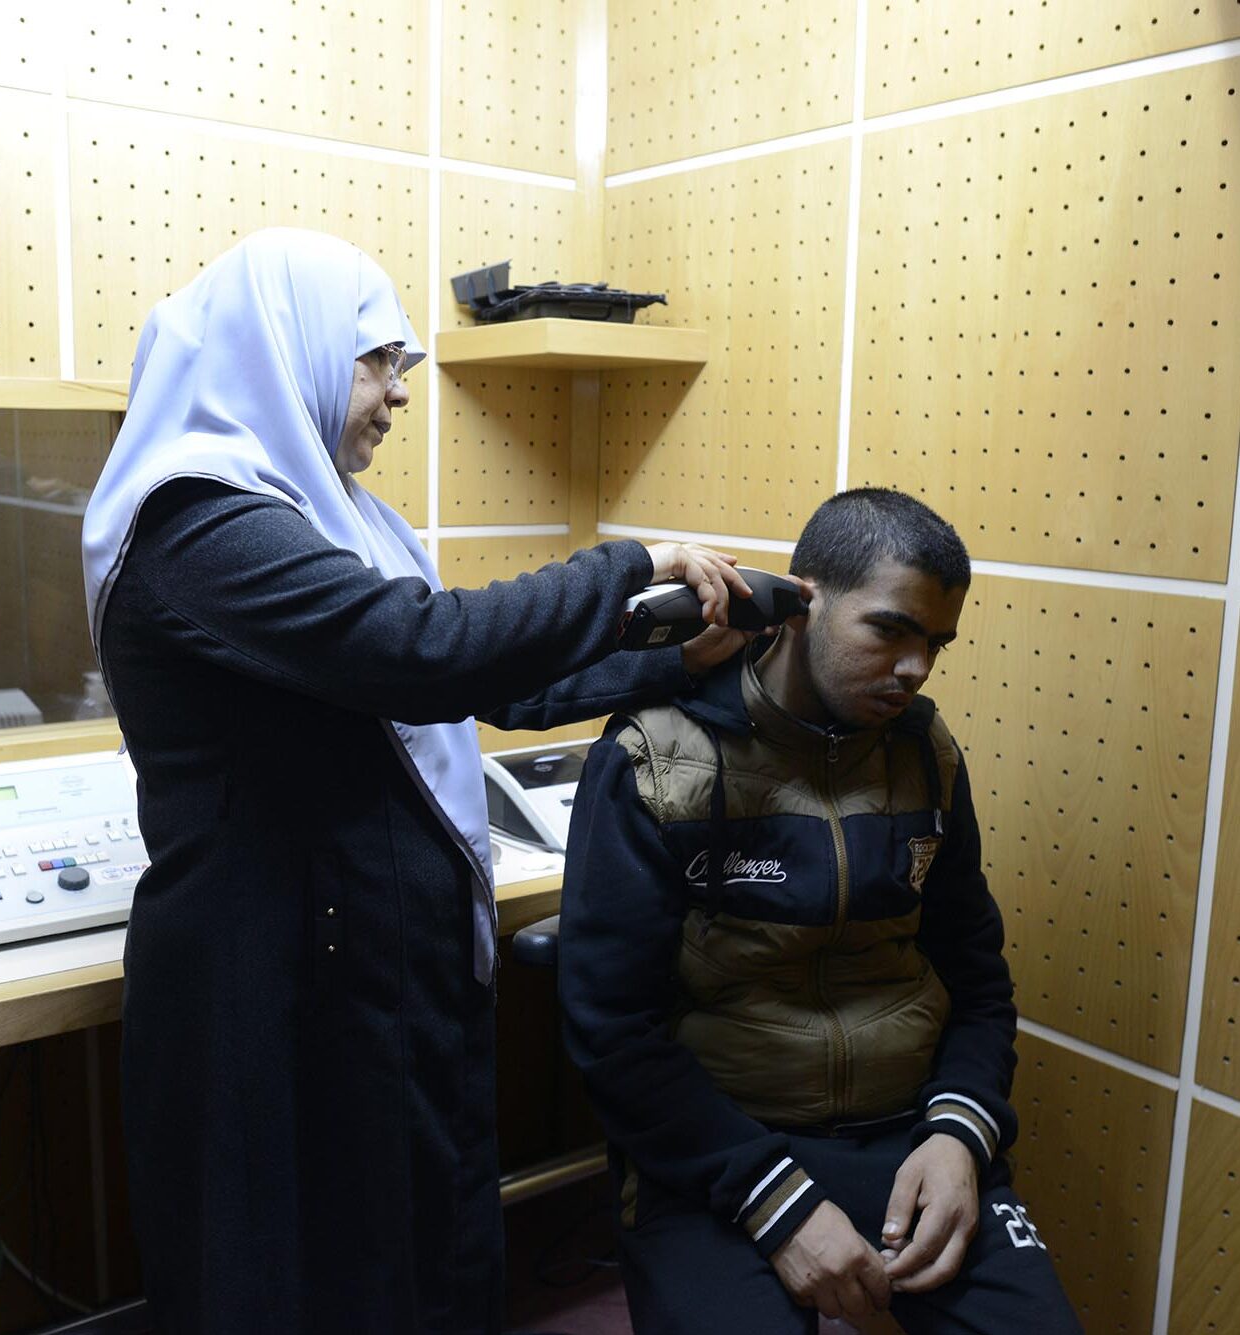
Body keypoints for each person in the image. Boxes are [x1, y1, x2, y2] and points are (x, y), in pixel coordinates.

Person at [80, 227, 753, 1335]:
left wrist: (670, 660)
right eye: (379, 360)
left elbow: (486, 686)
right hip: (267, 990)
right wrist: (627, 566)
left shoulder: (339, 522)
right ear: (285, 344)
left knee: (397, 1265)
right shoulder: (196, 524)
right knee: (291, 1279)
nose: (399, 394)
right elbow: (424, 651)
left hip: (357, 964)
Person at [558, 488, 1082, 1334]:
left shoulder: (925, 750)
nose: (915, 669)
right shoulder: (656, 757)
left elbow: (977, 981)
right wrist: (775, 1202)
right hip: (718, 1153)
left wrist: (960, 1135)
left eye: (934, 643)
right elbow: (611, 1030)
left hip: (910, 1138)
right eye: (889, 630)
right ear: (803, 601)